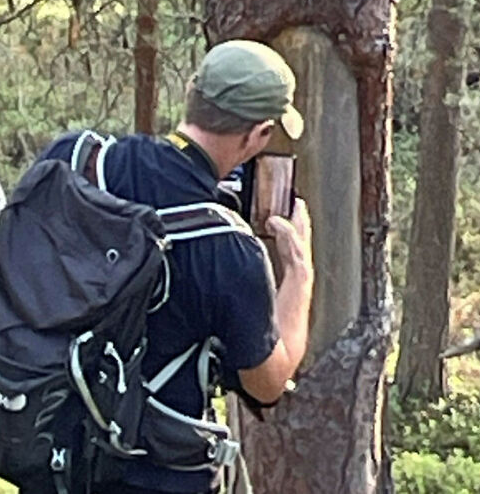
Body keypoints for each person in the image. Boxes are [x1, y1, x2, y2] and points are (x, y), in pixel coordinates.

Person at [36, 40, 315, 494]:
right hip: (155, 475)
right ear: (258, 135)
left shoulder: (74, 159)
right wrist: (300, 275)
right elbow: (268, 382)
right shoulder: (229, 250)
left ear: (192, 94)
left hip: (52, 454)